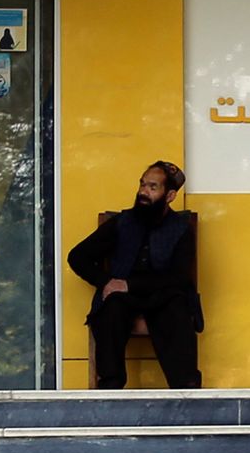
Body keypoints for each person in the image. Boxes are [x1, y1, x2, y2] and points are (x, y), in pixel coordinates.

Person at [69, 159, 202, 388]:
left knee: (177, 311)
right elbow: (77, 257)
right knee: (111, 309)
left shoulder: (181, 229)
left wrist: (130, 284)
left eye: (153, 187)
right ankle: (110, 391)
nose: (144, 192)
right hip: (123, 299)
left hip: (163, 295)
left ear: (170, 196)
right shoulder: (122, 222)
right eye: (142, 185)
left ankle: (187, 395)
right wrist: (107, 282)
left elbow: (179, 276)